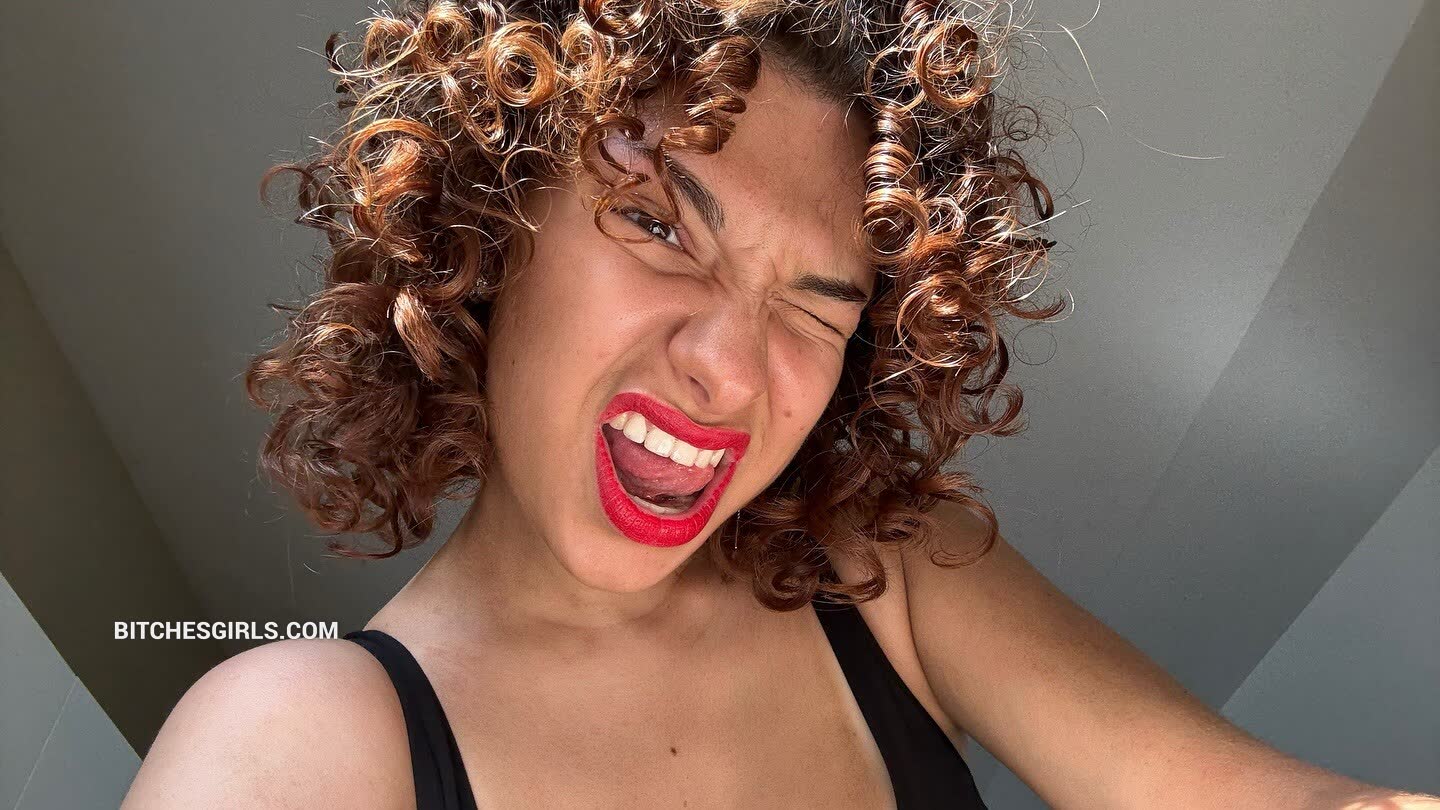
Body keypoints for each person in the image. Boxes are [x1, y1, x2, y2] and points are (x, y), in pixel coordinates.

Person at [122, 1, 1437, 807]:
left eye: (816, 306)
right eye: (659, 225)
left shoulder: (886, 571)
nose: (737, 372)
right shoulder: (297, 736)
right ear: (489, 222)